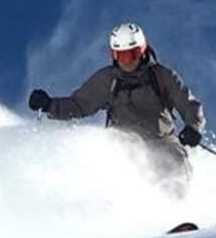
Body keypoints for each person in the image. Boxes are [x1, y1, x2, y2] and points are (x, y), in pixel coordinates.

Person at [28, 22, 205, 197]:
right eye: (121, 56)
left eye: (132, 54)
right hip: (123, 146)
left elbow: (188, 103)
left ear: (142, 51)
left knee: (174, 159)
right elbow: (79, 104)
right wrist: (48, 105)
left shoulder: (161, 76)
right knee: (108, 167)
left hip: (161, 141)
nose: (127, 62)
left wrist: (193, 127)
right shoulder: (107, 80)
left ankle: (180, 207)